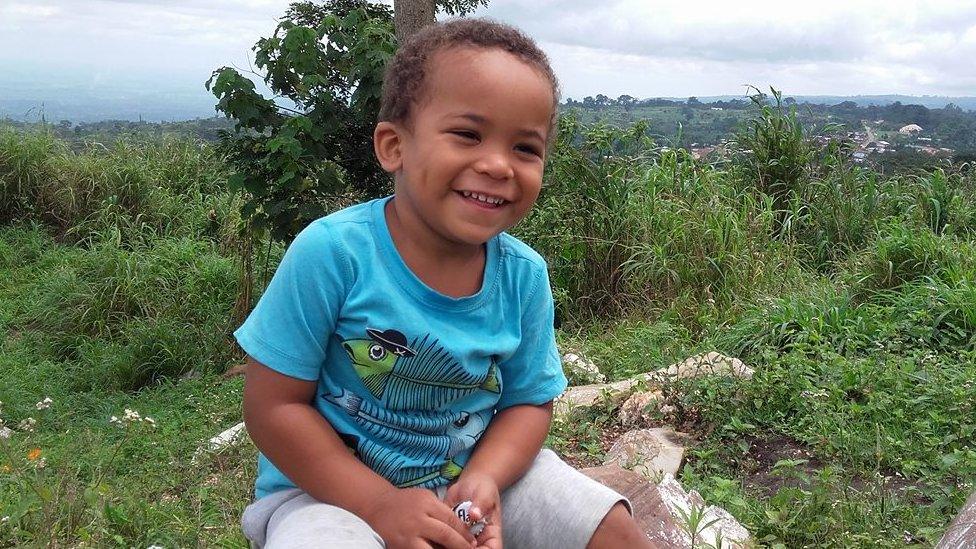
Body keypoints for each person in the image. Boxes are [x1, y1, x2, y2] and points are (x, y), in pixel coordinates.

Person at [235, 17, 653, 549]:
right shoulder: (334, 254)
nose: (499, 165)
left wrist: (487, 477)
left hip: (469, 483)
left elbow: (528, 402)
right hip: (328, 494)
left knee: (610, 530)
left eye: (526, 148)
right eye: (467, 135)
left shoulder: (523, 276)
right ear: (394, 147)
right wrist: (377, 504)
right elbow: (274, 406)